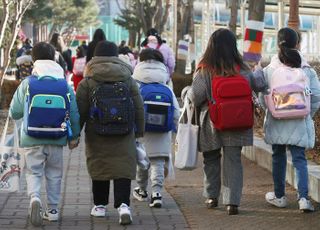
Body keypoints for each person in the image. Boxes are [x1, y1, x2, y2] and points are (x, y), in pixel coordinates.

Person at [184, 28, 262, 215]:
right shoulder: (242, 69)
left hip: (211, 122)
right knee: (233, 160)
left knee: (211, 159)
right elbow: (255, 87)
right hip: (238, 122)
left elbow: (195, 97)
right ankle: (232, 202)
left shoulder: (205, 69)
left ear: (211, 46)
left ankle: (212, 196)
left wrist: (185, 91)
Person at [9, 42, 80, 226]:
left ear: (34, 60)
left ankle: (34, 199)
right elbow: (73, 112)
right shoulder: (64, 84)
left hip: (32, 137)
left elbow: (14, 112)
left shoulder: (28, 83)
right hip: (57, 137)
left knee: (33, 171)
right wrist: (74, 136)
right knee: (54, 173)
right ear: (54, 58)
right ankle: (53, 210)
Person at [76, 41, 144, 225]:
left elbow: (79, 111)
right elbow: (139, 107)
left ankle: (99, 206)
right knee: (123, 166)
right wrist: (140, 131)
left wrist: (75, 134)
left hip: (96, 133)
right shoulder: (128, 79)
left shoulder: (88, 81)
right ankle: (123, 205)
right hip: (125, 131)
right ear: (116, 57)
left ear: (95, 57)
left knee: (100, 167)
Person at [261, 27, 320, 212]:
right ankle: (303, 198)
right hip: (299, 121)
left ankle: (279, 197)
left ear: (278, 43)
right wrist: (305, 113)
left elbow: (263, 96)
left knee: (278, 157)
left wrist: (272, 111)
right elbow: (316, 95)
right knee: (299, 159)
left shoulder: (269, 70)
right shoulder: (306, 69)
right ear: (297, 44)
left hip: (277, 120)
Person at [132, 48, 180, 208]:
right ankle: (157, 193)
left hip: (142, 130)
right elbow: (176, 111)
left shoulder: (136, 83)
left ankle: (141, 190)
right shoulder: (165, 85)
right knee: (158, 161)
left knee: (143, 162)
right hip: (162, 130)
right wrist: (175, 129)